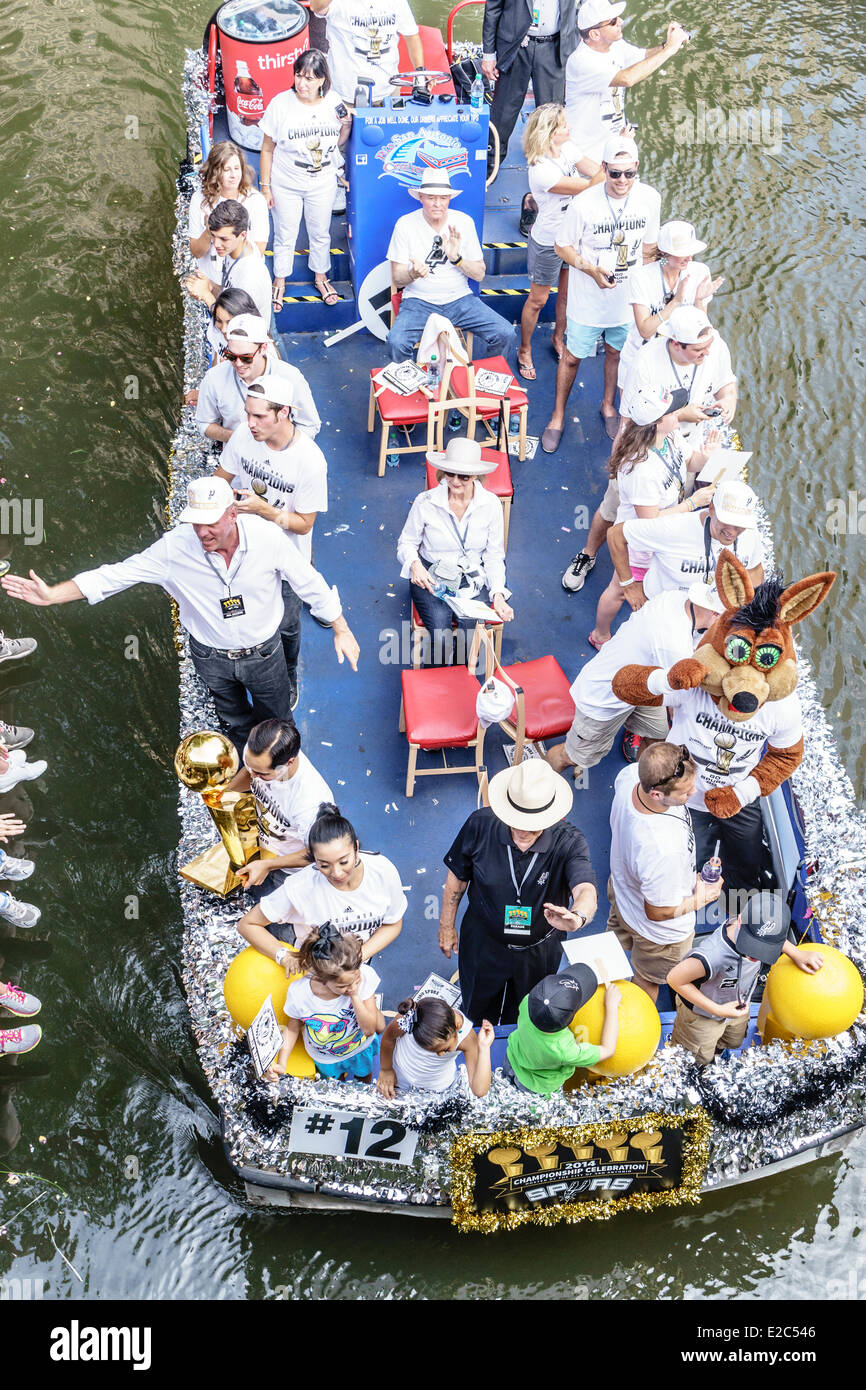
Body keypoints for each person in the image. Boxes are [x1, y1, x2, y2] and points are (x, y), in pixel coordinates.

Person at [1, 477, 360, 751]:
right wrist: (52, 596)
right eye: (196, 523)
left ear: (233, 514)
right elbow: (116, 575)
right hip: (210, 657)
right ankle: (248, 768)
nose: (202, 532)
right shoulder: (175, 549)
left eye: (211, 523)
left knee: (278, 722)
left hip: (264, 654)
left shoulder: (267, 538)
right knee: (233, 720)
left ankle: (281, 771)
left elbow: (308, 581)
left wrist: (341, 628)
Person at [439, 760, 597, 1025]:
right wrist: (446, 926)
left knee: (526, 1016)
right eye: (516, 821)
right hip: (483, 944)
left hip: (539, 952)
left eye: (533, 824)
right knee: (476, 1011)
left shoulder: (570, 841)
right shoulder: (479, 825)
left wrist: (578, 916)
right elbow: (457, 877)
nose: (523, 831)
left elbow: (585, 888)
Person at [540, 134, 660, 453]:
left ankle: (608, 405)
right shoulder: (583, 203)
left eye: (629, 173)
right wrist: (589, 269)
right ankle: (557, 416)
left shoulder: (650, 199)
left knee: (615, 354)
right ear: (604, 168)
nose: (622, 180)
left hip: (626, 301)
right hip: (588, 300)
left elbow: (649, 249)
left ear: (637, 168)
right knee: (571, 358)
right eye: (615, 173)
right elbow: (561, 246)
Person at [587, 383, 721, 649]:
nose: (678, 413)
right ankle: (600, 635)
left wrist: (705, 457)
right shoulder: (642, 470)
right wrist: (693, 503)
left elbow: (690, 462)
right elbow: (648, 523)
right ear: (657, 422)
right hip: (639, 543)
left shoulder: (670, 437)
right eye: (673, 411)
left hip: (664, 528)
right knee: (619, 590)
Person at [546, 581, 725, 777]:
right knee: (572, 756)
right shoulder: (674, 645)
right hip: (604, 699)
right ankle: (537, 780)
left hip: (646, 683)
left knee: (657, 735)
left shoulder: (674, 597)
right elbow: (678, 699)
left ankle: (639, 778)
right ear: (715, 614)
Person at [607, 742, 723, 1001]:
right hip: (659, 936)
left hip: (623, 894)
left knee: (609, 955)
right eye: (684, 792)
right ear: (657, 794)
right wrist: (702, 898)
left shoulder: (630, 776)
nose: (694, 792)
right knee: (647, 982)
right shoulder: (661, 850)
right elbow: (657, 912)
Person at [237, 803, 407, 963]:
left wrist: (359, 957)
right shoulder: (301, 886)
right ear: (313, 860)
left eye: (343, 862)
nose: (336, 873)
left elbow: (393, 923)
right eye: (324, 865)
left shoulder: (383, 871)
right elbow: (248, 924)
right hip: (313, 965)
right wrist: (284, 956)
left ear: (356, 848)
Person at [668, 892, 823, 1066]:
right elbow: (674, 979)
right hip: (703, 1014)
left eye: (764, 949)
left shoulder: (759, 930)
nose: (757, 956)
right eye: (754, 947)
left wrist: (797, 953)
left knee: (732, 1040)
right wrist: (718, 1010)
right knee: (698, 1055)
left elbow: (774, 939)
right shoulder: (713, 956)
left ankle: (718, 1054)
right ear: (739, 922)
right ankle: (703, 1067)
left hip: (738, 1003)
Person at [397, 436, 513, 666]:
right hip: (432, 574)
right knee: (440, 636)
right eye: (450, 474)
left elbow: (493, 556)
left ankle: (459, 680)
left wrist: (498, 594)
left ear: (476, 476)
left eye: (464, 476)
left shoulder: (490, 505)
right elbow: (406, 543)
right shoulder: (426, 501)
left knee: (469, 634)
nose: (456, 481)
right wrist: (415, 564)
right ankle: (435, 686)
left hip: (471, 577)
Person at [386, 169, 516, 365]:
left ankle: (487, 381)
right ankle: (409, 387)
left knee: (505, 333)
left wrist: (457, 259)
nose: (438, 204)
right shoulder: (405, 224)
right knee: (396, 342)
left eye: (443, 198)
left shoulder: (463, 221)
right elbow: (397, 278)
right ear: (421, 197)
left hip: (460, 299)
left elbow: (479, 274)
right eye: (431, 197)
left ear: (449, 198)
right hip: (419, 301)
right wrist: (413, 273)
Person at [259, 50, 352, 312]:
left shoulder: (334, 102)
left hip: (321, 179)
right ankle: (280, 280)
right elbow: (267, 149)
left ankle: (321, 277)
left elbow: (338, 141)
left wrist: (345, 126)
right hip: (286, 179)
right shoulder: (280, 104)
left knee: (320, 232)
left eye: (310, 78)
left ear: (322, 79)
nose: (303, 83)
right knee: (286, 233)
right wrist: (265, 187)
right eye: (299, 76)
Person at [518, 102, 601, 378]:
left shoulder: (567, 148)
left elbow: (593, 168)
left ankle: (558, 337)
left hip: (574, 236)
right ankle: (525, 349)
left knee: (567, 295)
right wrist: (615, 157)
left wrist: (608, 164)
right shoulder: (541, 168)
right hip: (549, 241)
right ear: (550, 132)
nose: (570, 128)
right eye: (564, 125)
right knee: (538, 300)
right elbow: (592, 183)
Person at [607, 478, 765, 608]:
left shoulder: (750, 533)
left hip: (709, 618)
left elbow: (754, 571)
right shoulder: (673, 528)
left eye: (739, 526)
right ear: (711, 509)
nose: (732, 532)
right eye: (726, 522)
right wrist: (628, 585)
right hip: (661, 612)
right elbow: (616, 535)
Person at [565, 1, 690, 161]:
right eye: (613, 22)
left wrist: (666, 44)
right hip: (587, 152)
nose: (621, 22)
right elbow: (627, 79)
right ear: (595, 34)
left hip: (615, 144)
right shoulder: (582, 61)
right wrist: (670, 50)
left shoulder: (616, 46)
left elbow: (643, 56)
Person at [225, 719, 333, 899]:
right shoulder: (258, 758)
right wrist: (225, 795)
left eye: (261, 774)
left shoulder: (310, 803)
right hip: (261, 845)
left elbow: (317, 853)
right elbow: (249, 772)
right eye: (250, 765)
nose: (253, 776)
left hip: (289, 870)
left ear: (289, 762)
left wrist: (268, 865)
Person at [264, 924, 384, 1083]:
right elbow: (292, 1028)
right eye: (343, 986)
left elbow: (369, 1029)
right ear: (322, 979)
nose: (353, 986)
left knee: (364, 1076)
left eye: (357, 979)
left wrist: (354, 995)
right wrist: (282, 1063)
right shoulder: (299, 994)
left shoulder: (365, 978)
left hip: (359, 1047)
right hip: (325, 1056)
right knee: (336, 1082)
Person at [617, 220, 722, 398]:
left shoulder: (700, 271)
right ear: (664, 252)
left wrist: (699, 300)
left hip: (677, 359)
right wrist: (676, 302)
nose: (689, 258)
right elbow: (644, 330)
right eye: (682, 253)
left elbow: (699, 330)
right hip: (640, 355)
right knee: (632, 416)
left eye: (691, 252)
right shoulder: (641, 277)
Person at [481, 0, 579, 176]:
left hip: (554, 47)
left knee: (551, 114)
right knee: (503, 111)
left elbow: (587, 7)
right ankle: (490, 166)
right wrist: (489, 54)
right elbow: (493, 9)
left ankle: (549, 167)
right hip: (514, 46)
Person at [195, 313, 321, 445]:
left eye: (246, 358)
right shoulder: (214, 378)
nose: (238, 364)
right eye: (231, 356)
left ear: (263, 348)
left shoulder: (290, 377)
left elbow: (309, 425)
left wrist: (280, 448)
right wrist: (237, 438)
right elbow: (204, 423)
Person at [622, 304, 737, 443]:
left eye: (709, 345)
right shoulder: (643, 364)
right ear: (676, 344)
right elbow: (629, 423)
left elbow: (726, 383)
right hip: (655, 441)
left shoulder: (717, 347)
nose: (707, 353)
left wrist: (728, 400)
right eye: (698, 349)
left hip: (693, 438)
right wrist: (680, 416)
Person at [504, 963, 620, 1094]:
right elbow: (608, 1050)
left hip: (512, 1059)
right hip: (536, 1085)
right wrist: (612, 1007)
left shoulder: (527, 1002)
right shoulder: (564, 1050)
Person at [307, 0, 423, 106]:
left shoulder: (397, 2)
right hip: (345, 94)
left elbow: (412, 36)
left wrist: (420, 72)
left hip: (388, 90)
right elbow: (315, 6)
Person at [376, 996, 494, 1097]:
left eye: (445, 1049)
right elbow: (388, 1038)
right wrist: (386, 1069)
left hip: (436, 1089)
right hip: (399, 1078)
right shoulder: (411, 1018)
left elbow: (479, 1091)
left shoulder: (467, 1038)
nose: (441, 1054)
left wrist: (484, 1047)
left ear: (457, 1026)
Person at [187, 141, 270, 281]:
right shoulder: (199, 199)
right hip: (210, 278)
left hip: (242, 279)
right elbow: (196, 252)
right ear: (215, 172)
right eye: (227, 170)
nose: (234, 175)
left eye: (237, 168)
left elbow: (259, 249)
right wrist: (209, 231)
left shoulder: (256, 201)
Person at [185, 201, 272, 325]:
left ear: (243, 235)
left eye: (223, 239)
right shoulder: (235, 250)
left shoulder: (250, 278)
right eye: (213, 236)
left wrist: (206, 295)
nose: (216, 244)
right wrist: (211, 285)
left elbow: (234, 326)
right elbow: (230, 293)